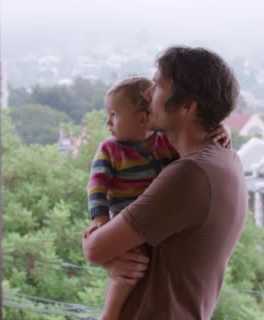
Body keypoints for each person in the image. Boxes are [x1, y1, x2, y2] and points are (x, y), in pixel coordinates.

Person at [82, 46, 247, 319]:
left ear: (187, 106)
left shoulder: (189, 174)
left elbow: (95, 248)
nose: (147, 95)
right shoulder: (223, 159)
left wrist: (98, 248)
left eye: (157, 86)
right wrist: (112, 257)